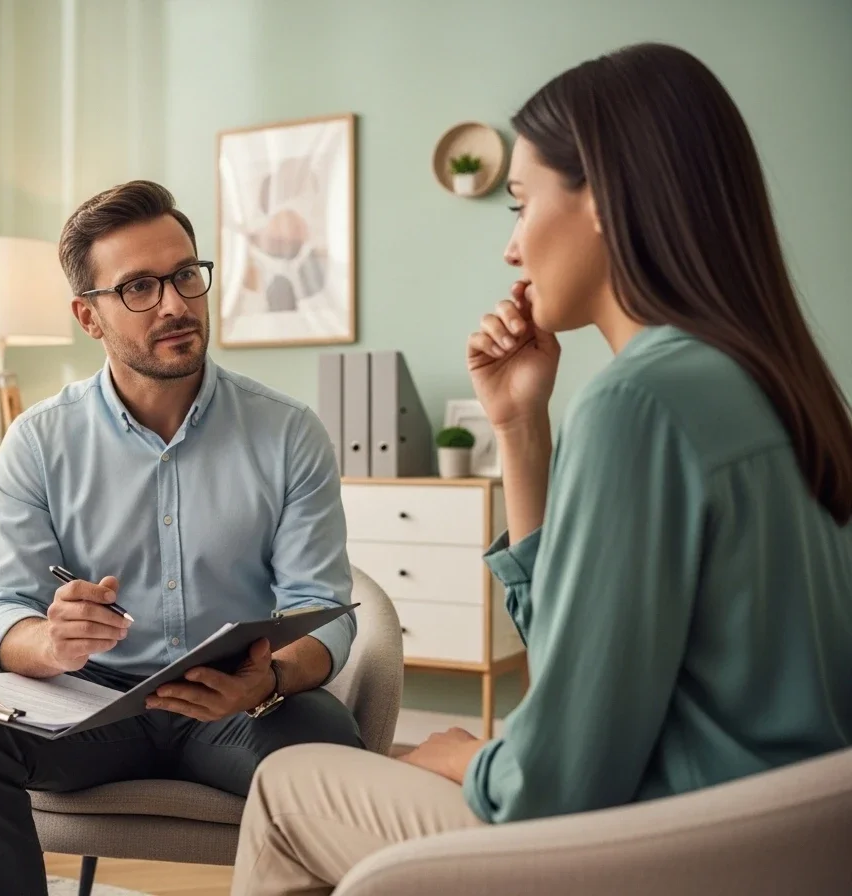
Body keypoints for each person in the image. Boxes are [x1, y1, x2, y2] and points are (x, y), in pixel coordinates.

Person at [229, 41, 852, 895]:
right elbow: (580, 659)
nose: (512, 249)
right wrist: (521, 430)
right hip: (788, 845)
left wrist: (475, 758)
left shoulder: (643, 401)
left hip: (671, 846)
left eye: (519, 204)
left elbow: (552, 788)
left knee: (287, 784)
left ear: (601, 193)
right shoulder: (778, 382)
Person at [0, 179, 363, 896]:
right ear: (87, 317)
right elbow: (0, 605)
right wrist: (49, 641)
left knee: (329, 747)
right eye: (138, 288)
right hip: (87, 707)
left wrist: (273, 676)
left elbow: (322, 605)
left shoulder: (288, 433)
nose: (175, 304)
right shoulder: (38, 441)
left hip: (239, 704)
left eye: (186, 275)